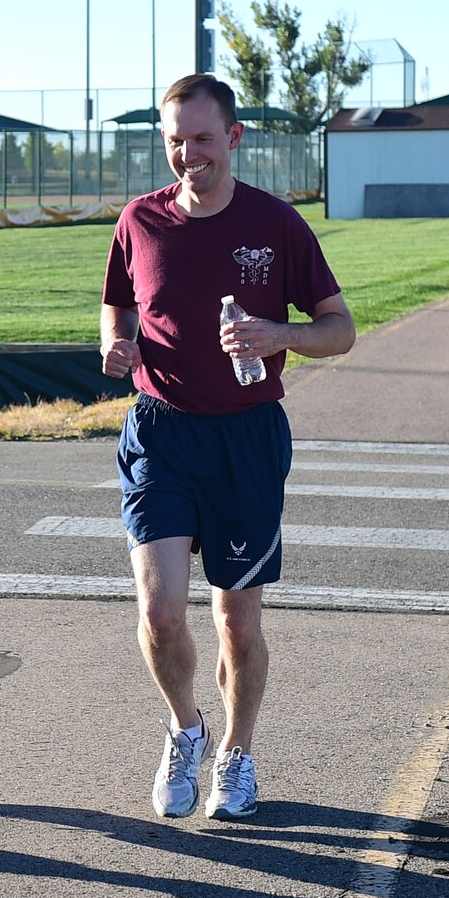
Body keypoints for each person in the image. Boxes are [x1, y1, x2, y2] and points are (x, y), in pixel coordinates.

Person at [99, 73, 353, 822]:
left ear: (234, 138)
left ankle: (237, 755)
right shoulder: (139, 221)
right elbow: (117, 304)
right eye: (175, 140)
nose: (188, 154)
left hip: (246, 436)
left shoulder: (276, 225)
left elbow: (339, 328)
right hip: (161, 430)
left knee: (238, 622)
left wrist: (281, 335)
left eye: (202, 139)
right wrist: (116, 343)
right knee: (160, 612)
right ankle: (184, 729)